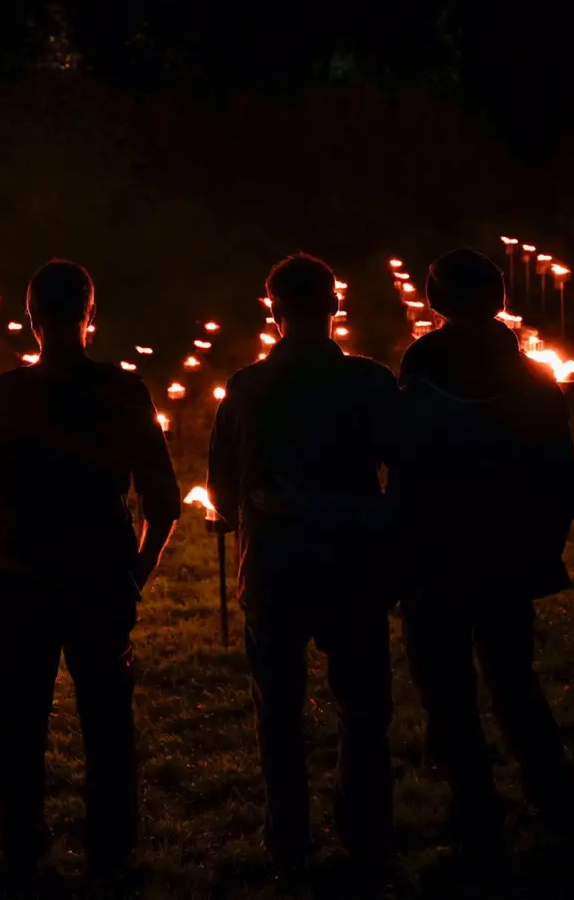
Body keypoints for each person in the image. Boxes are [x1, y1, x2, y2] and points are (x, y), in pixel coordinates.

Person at [0, 259, 181, 881]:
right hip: (99, 575)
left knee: (18, 717)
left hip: (19, 577)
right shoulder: (124, 391)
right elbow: (165, 504)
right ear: (90, 315)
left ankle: (22, 841)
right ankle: (112, 843)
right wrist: (137, 571)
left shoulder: (6, 394)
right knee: (108, 717)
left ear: (31, 320)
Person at [207, 253, 398, 881]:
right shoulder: (369, 384)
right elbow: (404, 471)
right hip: (353, 567)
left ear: (274, 310)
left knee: (279, 711)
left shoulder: (246, 387)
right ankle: (364, 829)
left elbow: (225, 494)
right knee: (364, 706)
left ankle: (287, 837)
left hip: (275, 570)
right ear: (333, 307)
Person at [394, 248, 574, 857]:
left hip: (438, 554)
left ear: (436, 302)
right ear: (499, 300)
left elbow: (403, 465)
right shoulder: (531, 378)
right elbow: (564, 477)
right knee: (512, 677)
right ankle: (553, 795)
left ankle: (474, 804)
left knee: (446, 686)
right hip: (506, 555)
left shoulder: (421, 372)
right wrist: (541, 544)